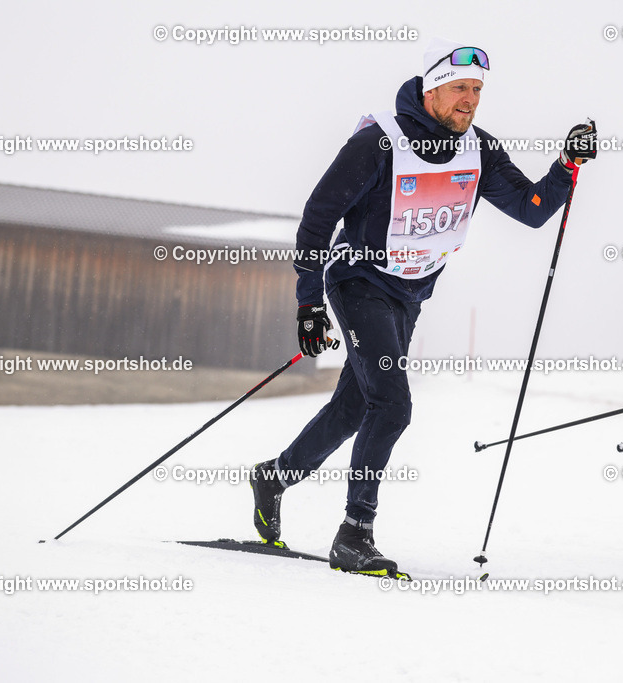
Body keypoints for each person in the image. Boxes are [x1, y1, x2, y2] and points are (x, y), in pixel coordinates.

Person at [248, 39, 598, 577]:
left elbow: (531, 211)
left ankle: (274, 477)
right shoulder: (377, 143)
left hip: (410, 294)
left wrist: (566, 164)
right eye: (460, 88)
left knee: (354, 408)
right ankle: (354, 533)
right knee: (392, 405)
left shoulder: (477, 149)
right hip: (359, 282)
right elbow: (318, 217)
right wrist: (308, 301)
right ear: (431, 88)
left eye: (478, 90)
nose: (470, 101)